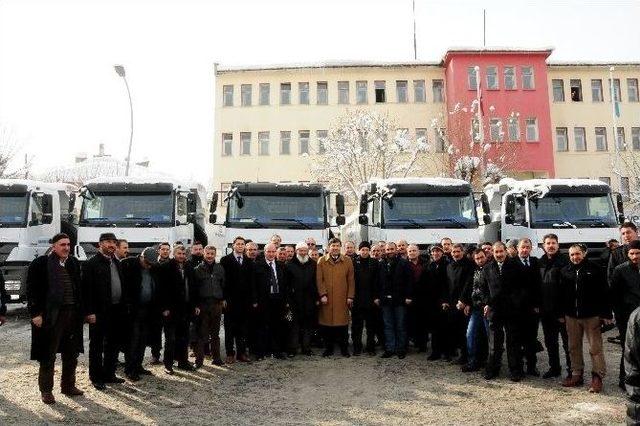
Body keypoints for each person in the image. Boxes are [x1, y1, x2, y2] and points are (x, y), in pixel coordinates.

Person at [27, 233, 84, 404]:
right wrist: (35, 313)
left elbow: (78, 288)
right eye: (62, 244)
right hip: (50, 315)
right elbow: (32, 289)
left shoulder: (73, 262)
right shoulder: (41, 264)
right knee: (48, 354)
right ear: (53, 246)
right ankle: (46, 391)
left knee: (71, 353)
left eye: (68, 244)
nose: (66, 247)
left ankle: (68, 385)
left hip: (71, 314)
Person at [559, 244, 613, 393]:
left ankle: (597, 377)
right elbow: (561, 295)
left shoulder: (595, 269)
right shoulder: (565, 271)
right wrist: (561, 314)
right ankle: (577, 375)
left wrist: (606, 314)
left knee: (595, 348)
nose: (575, 257)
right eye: (572, 255)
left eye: (577, 254)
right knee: (573, 347)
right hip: (571, 316)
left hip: (592, 316)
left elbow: (604, 292)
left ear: (584, 253)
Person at [82, 232, 126, 390]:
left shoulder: (117, 262)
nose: (112, 245)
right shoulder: (91, 264)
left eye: (114, 242)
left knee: (113, 344)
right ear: (99, 244)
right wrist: (89, 312)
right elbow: (86, 291)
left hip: (116, 310)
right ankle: (96, 377)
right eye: (108, 242)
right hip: (99, 312)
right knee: (97, 346)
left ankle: (109, 374)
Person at [120, 247, 160, 381]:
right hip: (132, 310)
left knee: (143, 340)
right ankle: (130, 369)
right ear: (142, 257)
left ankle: (138, 366)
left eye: (151, 264)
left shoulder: (153, 268)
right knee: (133, 340)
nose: (149, 266)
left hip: (148, 310)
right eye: (147, 263)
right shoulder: (128, 264)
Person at [538, 233, 571, 379]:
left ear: (558, 245)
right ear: (543, 246)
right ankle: (554, 368)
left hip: (563, 312)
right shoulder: (540, 262)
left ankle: (573, 371)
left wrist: (563, 312)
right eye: (548, 243)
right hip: (546, 311)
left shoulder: (565, 262)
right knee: (550, 342)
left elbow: (568, 288)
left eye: (553, 243)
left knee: (568, 344)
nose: (550, 246)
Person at [482, 242, 517, 380]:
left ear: (505, 251)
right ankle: (493, 369)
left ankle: (514, 370)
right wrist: (487, 303)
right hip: (495, 311)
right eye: (496, 252)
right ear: (493, 253)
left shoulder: (515, 266)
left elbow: (521, 288)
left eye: (501, 251)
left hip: (511, 310)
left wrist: (515, 303)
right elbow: (484, 289)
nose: (499, 254)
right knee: (494, 343)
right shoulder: (487, 268)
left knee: (512, 342)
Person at [159, 245, 196, 374]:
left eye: (184, 254)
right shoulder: (166, 267)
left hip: (185, 309)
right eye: (179, 253)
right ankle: (168, 364)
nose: (182, 256)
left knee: (184, 338)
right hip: (171, 310)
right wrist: (164, 308)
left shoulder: (189, 267)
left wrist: (194, 306)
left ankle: (183, 362)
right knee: (170, 339)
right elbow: (161, 290)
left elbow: (193, 288)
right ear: (174, 254)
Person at [317, 238, 355, 358]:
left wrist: (350, 296)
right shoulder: (321, 261)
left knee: (343, 325)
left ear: (340, 247)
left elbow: (351, 280)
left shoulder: (348, 261)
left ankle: (344, 349)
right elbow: (319, 280)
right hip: (327, 299)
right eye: (333, 246)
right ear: (329, 247)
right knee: (327, 325)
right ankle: (328, 349)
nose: (335, 248)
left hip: (342, 298)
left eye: (337, 246)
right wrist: (322, 294)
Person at [611, 239, 640, 390]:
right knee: (628, 349)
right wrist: (619, 317)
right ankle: (625, 380)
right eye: (632, 253)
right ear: (627, 254)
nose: (635, 256)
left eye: (637, 253)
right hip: (627, 318)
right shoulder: (620, 270)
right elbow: (615, 296)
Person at [252, 243, 289, 360]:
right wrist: (255, 300)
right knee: (262, 326)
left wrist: (285, 300)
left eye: (273, 252)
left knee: (277, 326)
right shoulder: (258, 265)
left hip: (277, 299)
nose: (271, 254)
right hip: (263, 300)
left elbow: (284, 284)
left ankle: (276, 351)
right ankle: (261, 352)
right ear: (264, 252)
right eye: (269, 252)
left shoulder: (280, 265)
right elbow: (253, 285)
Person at [376, 242, 412, 359]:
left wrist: (408, 297)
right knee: (388, 325)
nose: (390, 251)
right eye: (388, 249)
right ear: (385, 251)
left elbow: (409, 281)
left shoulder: (404, 263)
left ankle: (401, 349)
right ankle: (390, 348)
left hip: (400, 300)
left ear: (396, 250)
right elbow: (377, 282)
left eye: (392, 249)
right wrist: (378, 297)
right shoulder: (380, 264)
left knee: (401, 325)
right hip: (385, 300)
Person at [220, 236, 253, 363]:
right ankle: (229, 353)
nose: (240, 246)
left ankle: (241, 353)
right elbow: (222, 281)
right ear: (233, 245)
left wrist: (251, 299)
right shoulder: (225, 260)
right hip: (230, 301)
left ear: (245, 246)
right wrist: (223, 298)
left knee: (242, 329)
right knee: (229, 329)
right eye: (238, 244)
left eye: (242, 244)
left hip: (244, 301)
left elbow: (251, 282)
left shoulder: (249, 261)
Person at [192, 245, 226, 367]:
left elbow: (223, 285)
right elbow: (194, 289)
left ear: (215, 254)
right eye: (208, 253)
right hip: (203, 305)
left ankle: (216, 359)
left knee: (215, 334)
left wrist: (223, 299)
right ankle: (199, 361)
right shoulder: (197, 269)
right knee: (201, 334)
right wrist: (196, 305)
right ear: (204, 254)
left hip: (217, 305)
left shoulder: (220, 268)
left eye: (212, 253)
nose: (210, 256)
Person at [442, 243, 474, 363]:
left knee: (464, 331)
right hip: (451, 303)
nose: (455, 254)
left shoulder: (469, 265)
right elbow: (446, 284)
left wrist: (463, 300)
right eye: (453, 252)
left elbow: (469, 284)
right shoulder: (449, 265)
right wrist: (445, 301)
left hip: (464, 303)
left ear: (462, 252)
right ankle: (453, 353)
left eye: (458, 251)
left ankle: (465, 356)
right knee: (453, 329)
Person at [460, 248, 490, 372]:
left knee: (490, 337)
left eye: (481, 257)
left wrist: (489, 304)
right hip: (475, 309)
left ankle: (491, 362)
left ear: (486, 257)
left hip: (488, 309)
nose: (479, 260)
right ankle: (473, 361)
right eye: (477, 258)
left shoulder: (491, 269)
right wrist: (466, 303)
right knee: (470, 334)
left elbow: (494, 289)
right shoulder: (474, 271)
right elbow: (469, 288)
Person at [285, 242, 318, 356]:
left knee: (308, 326)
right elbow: (286, 285)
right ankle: (293, 349)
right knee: (294, 326)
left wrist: (316, 298)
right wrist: (288, 301)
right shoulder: (289, 265)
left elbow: (316, 283)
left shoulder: (313, 264)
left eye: (305, 250)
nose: (303, 253)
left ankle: (306, 348)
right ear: (296, 251)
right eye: (300, 250)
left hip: (309, 301)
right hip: (294, 301)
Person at [351, 241, 381, 356]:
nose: (364, 252)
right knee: (356, 326)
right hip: (357, 300)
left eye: (366, 250)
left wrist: (376, 297)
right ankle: (357, 347)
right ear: (359, 250)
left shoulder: (375, 263)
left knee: (370, 326)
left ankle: (370, 347)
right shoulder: (353, 262)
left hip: (371, 300)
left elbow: (377, 281)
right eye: (362, 249)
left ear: (369, 251)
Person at [149, 241, 172, 363]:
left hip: (169, 304)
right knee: (156, 331)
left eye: (167, 249)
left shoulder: (173, 265)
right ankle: (155, 355)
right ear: (159, 250)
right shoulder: (153, 265)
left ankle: (169, 357)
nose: (165, 251)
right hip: (155, 303)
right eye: (163, 249)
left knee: (169, 332)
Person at [425, 244, 448, 361]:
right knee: (434, 329)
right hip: (431, 302)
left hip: (444, 302)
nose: (435, 253)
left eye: (438, 251)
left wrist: (445, 300)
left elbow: (448, 284)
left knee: (445, 328)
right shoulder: (429, 265)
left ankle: (447, 352)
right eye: (433, 252)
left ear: (442, 253)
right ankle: (435, 352)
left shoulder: (447, 265)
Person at [406, 244, 427, 352]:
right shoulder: (404, 264)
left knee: (422, 322)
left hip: (422, 297)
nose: (412, 252)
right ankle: (411, 343)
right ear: (407, 253)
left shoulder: (425, 263)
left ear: (418, 252)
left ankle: (422, 345)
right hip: (409, 297)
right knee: (410, 321)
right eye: (410, 251)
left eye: (414, 250)